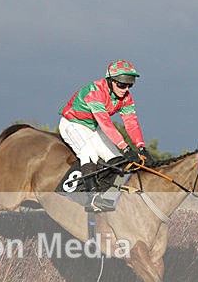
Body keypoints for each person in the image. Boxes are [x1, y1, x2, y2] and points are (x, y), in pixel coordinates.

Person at [58, 60, 151, 211]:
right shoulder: (96, 92)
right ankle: (92, 197)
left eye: (130, 85)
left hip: (93, 127)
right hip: (73, 124)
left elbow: (131, 122)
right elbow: (106, 123)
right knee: (89, 154)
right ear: (110, 81)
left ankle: (108, 195)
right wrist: (126, 148)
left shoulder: (126, 97)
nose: (125, 89)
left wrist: (141, 147)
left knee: (117, 159)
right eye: (121, 84)